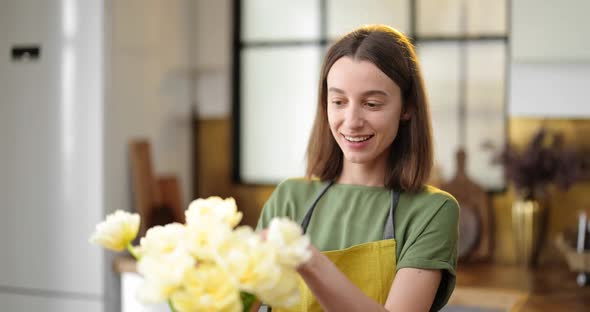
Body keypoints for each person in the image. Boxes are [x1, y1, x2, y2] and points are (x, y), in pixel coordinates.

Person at [255, 24, 459, 312]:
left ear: (406, 108)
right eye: (339, 101)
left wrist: (310, 262)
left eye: (372, 104)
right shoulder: (289, 197)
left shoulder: (432, 212)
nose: (351, 121)